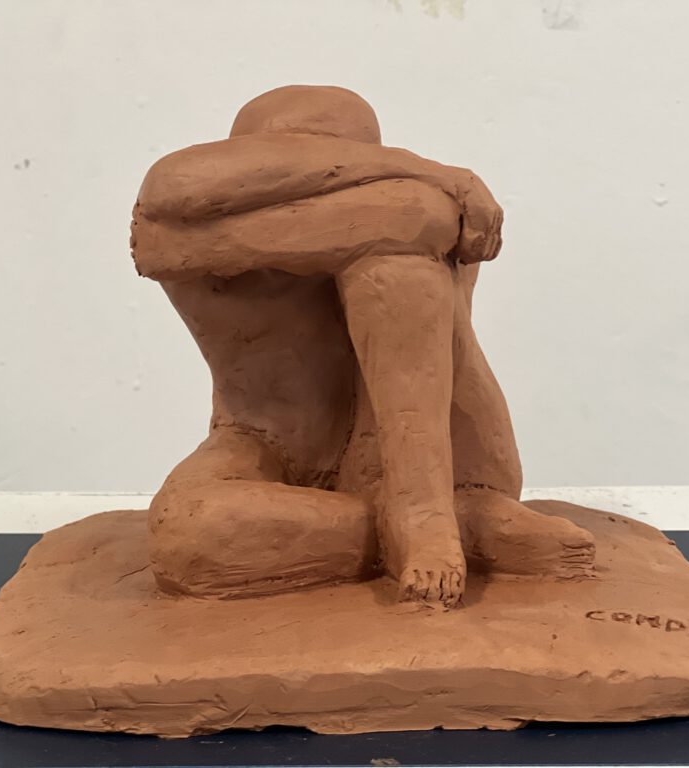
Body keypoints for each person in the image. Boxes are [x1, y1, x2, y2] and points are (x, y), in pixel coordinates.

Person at [130, 86, 594, 608]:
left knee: (396, 256)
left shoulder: (435, 216)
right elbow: (176, 187)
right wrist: (432, 174)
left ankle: (422, 509)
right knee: (189, 533)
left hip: (439, 454)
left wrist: (419, 198)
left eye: (331, 154)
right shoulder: (177, 229)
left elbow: (416, 217)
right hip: (266, 442)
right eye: (290, 153)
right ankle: (448, 522)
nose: (314, 168)